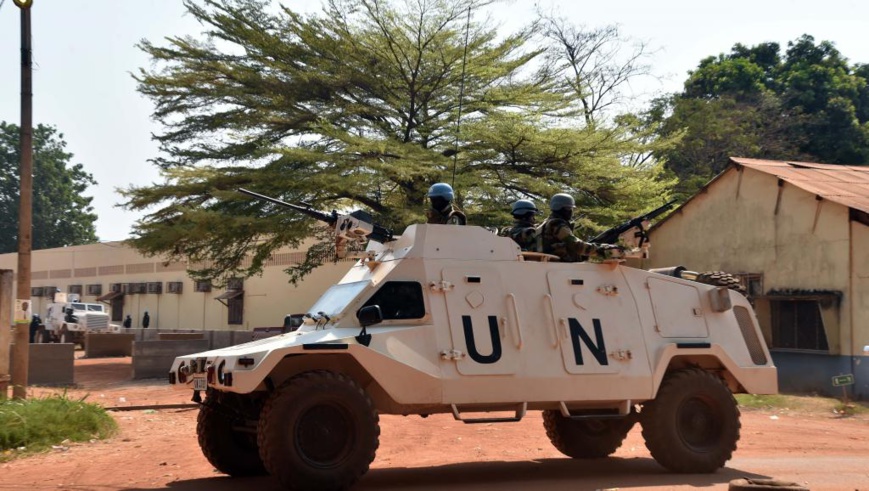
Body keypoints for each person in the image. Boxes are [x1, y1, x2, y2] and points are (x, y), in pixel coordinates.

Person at [537, 193, 622, 262]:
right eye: (569, 208)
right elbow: (576, 245)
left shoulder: (545, 223)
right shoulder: (557, 224)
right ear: (562, 209)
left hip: (550, 262)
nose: (571, 212)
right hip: (561, 265)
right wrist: (601, 249)